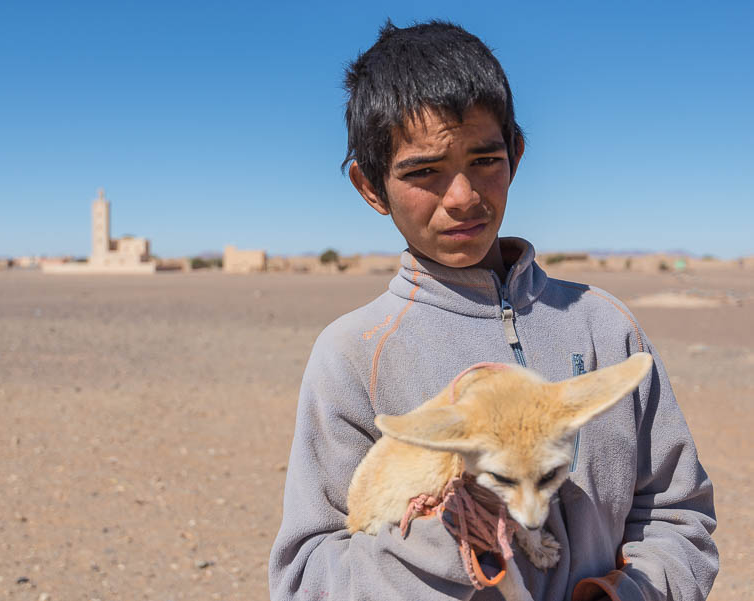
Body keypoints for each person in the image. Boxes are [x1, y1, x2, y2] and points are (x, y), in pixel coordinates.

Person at [268, 19, 718, 601]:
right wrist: (448, 543)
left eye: (485, 160)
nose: (463, 197)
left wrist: (629, 593)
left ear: (517, 154)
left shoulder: (605, 326)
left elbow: (678, 517)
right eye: (424, 171)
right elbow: (306, 577)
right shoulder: (354, 355)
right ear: (370, 186)